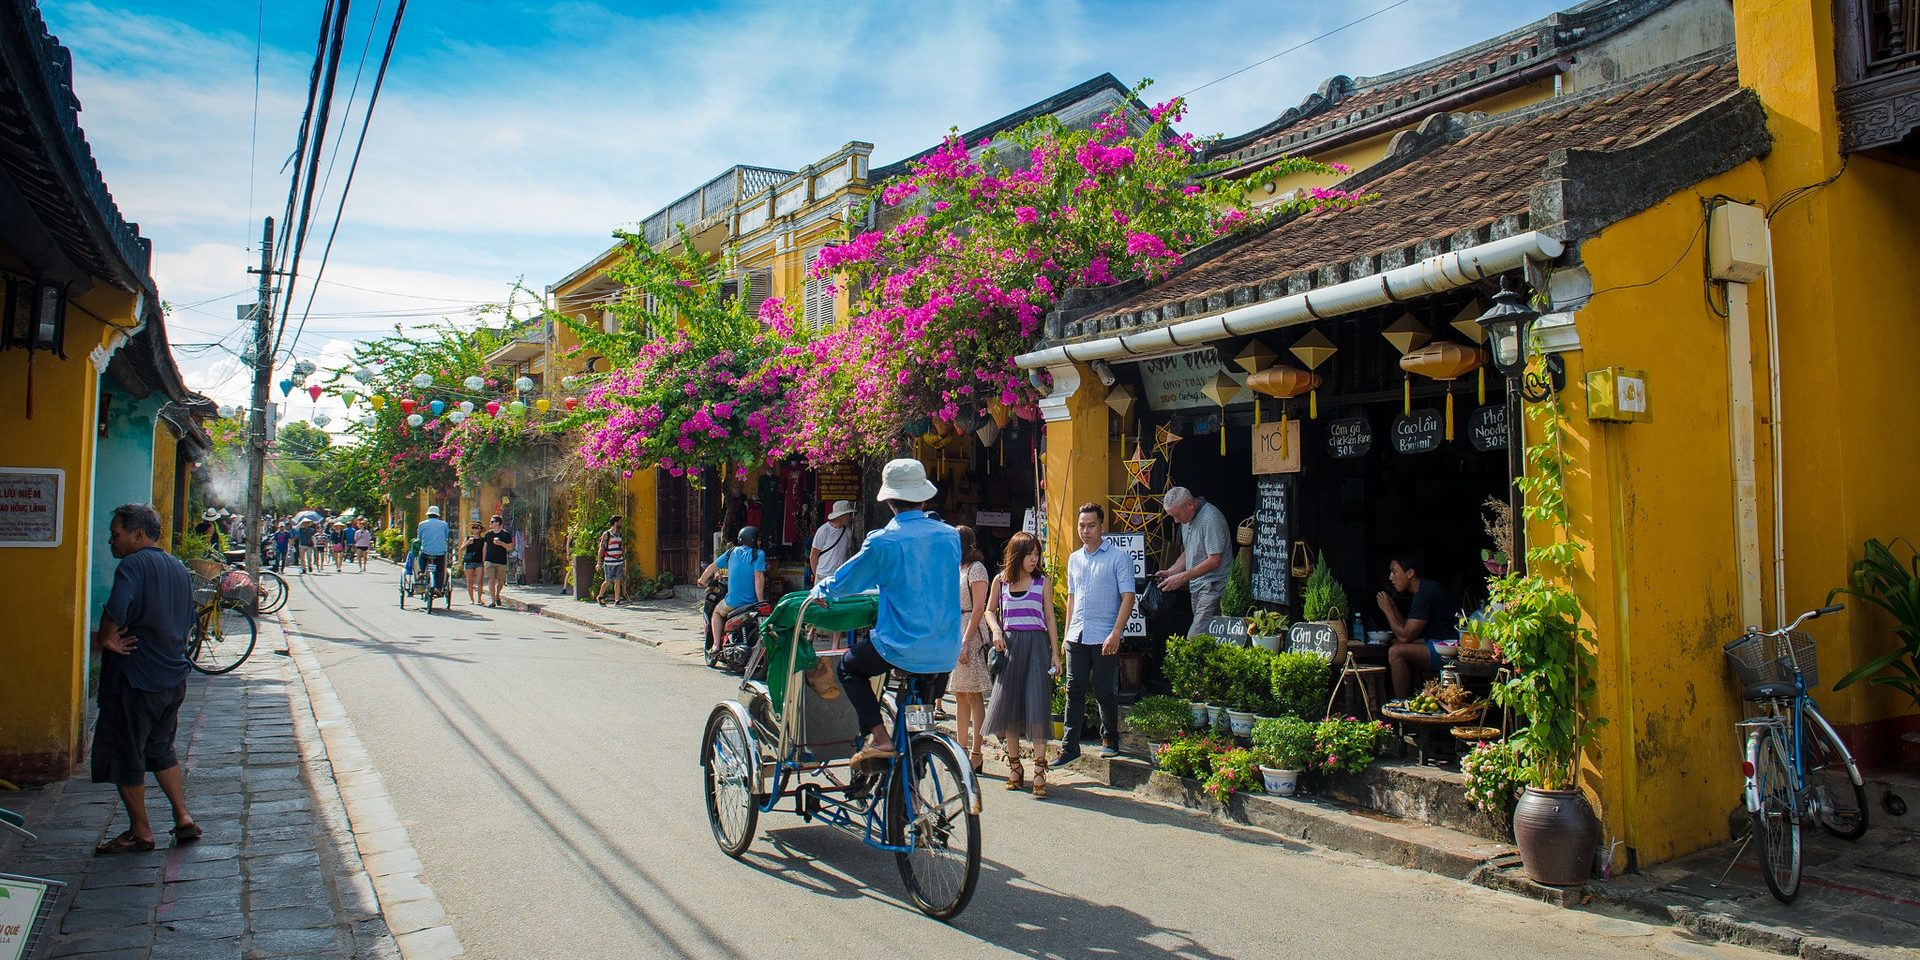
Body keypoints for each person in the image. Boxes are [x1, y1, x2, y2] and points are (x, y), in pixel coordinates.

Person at [811, 459, 960, 766]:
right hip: (945, 651)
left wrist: (821, 591)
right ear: (923, 497)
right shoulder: (950, 536)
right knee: (916, 732)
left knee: (849, 668)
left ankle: (879, 737)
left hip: (900, 647)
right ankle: (913, 793)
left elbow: (847, 579)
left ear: (890, 501)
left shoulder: (884, 540)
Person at [91, 504, 200, 854]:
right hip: (171, 677)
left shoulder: (133, 565)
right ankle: (183, 816)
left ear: (138, 535)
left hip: (135, 679)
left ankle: (141, 831)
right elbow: (189, 619)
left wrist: (106, 637)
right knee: (161, 748)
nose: (112, 541)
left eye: (116, 534)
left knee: (127, 753)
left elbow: (117, 607)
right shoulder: (178, 567)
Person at [984, 531, 1061, 796]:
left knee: (1037, 705)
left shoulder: (1042, 581)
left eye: (1037, 553)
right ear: (1017, 554)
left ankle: (1040, 769)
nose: (1034, 558)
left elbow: (1049, 617)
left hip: (1037, 646)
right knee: (1009, 709)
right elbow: (989, 610)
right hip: (1010, 647)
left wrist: (1055, 654)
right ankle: (1015, 768)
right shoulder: (1001, 581)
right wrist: (995, 630)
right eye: (1029, 553)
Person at [1058, 502, 1134, 765]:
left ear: (1102, 526)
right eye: (1081, 525)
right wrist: (1066, 635)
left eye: (1091, 525)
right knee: (1073, 690)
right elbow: (1072, 598)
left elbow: (1128, 597)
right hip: (1077, 635)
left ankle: (1110, 738)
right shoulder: (1074, 558)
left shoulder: (1118, 557)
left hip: (1104, 635)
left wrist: (1116, 632)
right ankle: (1070, 747)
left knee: (1104, 691)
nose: (1085, 531)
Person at [1380, 551, 1460, 697]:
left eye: (1394, 572)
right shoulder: (1420, 591)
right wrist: (1392, 606)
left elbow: (1405, 637)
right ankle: (1408, 698)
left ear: (1410, 572)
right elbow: (1407, 632)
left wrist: (1387, 610)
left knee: (1396, 651)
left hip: (1448, 651)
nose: (1390, 577)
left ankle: (1401, 705)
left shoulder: (1425, 593)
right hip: (1435, 643)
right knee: (1395, 643)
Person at [1154, 486, 1230, 636]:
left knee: (1195, 638)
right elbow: (1190, 550)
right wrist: (1171, 571)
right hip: (1197, 587)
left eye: (1176, 515)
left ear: (1190, 504)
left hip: (1213, 586)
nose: (1175, 521)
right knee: (1205, 641)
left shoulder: (1210, 518)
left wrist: (1182, 577)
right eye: (1172, 516)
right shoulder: (1186, 520)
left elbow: (1214, 560)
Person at [949, 525, 992, 774]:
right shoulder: (958, 569)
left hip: (970, 631)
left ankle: (976, 752)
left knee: (974, 693)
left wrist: (965, 641)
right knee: (959, 693)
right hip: (956, 629)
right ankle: (960, 749)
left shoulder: (977, 569)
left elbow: (978, 608)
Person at [698, 526, 766, 654]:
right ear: (753, 540)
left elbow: (712, 567)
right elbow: (759, 578)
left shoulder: (731, 552)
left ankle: (716, 645)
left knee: (716, 613)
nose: (759, 543)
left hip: (733, 602)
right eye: (758, 540)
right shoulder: (758, 554)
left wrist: (702, 580)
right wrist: (760, 600)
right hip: (752, 603)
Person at [808, 499, 857, 582]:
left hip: (839, 575)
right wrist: (817, 576)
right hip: (823, 575)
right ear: (843, 515)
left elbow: (846, 553)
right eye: (849, 514)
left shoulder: (847, 532)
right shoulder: (824, 530)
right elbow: (813, 556)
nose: (850, 517)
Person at [417, 505, 451, 599]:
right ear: (438, 515)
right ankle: (438, 588)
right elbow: (446, 537)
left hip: (427, 551)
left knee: (421, 555)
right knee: (440, 570)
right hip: (440, 552)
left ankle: (421, 571)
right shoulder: (444, 524)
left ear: (428, 515)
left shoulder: (422, 524)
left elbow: (419, 538)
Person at [481, 515, 513, 607]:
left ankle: (497, 595)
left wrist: (501, 543)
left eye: (492, 522)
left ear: (498, 523)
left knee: (501, 581)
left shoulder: (505, 534)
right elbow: (485, 547)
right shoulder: (488, 535)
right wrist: (484, 560)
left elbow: (510, 547)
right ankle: (493, 601)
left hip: (501, 560)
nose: (490, 523)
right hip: (489, 560)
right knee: (491, 580)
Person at [596, 515, 626, 606]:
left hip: (619, 561)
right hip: (609, 561)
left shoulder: (619, 534)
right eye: (620, 522)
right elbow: (601, 548)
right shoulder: (607, 534)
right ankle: (600, 596)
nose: (621, 524)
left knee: (618, 580)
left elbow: (621, 547)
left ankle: (617, 600)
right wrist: (599, 562)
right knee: (608, 581)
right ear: (616, 522)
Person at [461, 521, 486, 605]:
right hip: (469, 562)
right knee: (470, 581)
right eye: (473, 527)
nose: (474, 529)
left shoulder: (483, 540)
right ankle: (471, 599)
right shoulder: (468, 538)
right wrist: (468, 543)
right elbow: (461, 549)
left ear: (480, 530)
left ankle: (479, 599)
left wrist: (484, 561)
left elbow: (484, 551)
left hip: (479, 562)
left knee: (480, 581)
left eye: (477, 527)